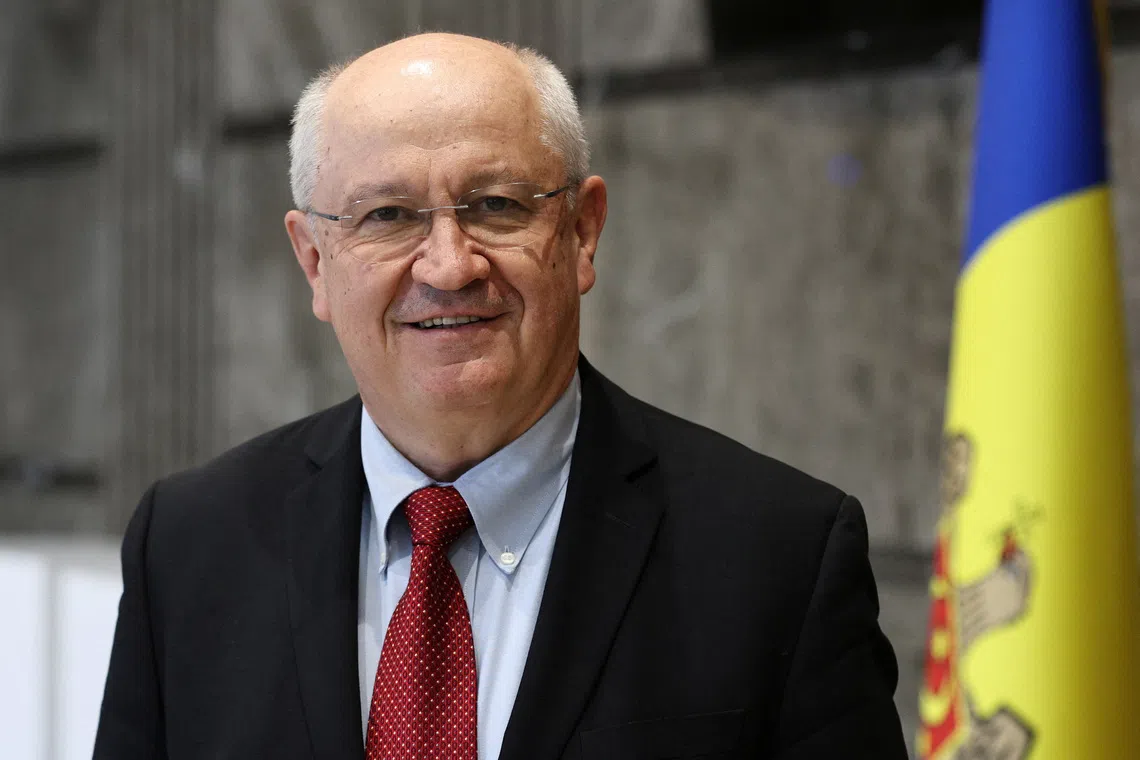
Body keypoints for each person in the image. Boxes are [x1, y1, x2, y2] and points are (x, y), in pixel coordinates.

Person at [94, 32, 907, 760]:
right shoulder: (190, 545)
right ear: (314, 262)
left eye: (496, 206)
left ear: (582, 231)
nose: (449, 266)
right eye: (387, 215)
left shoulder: (781, 557)